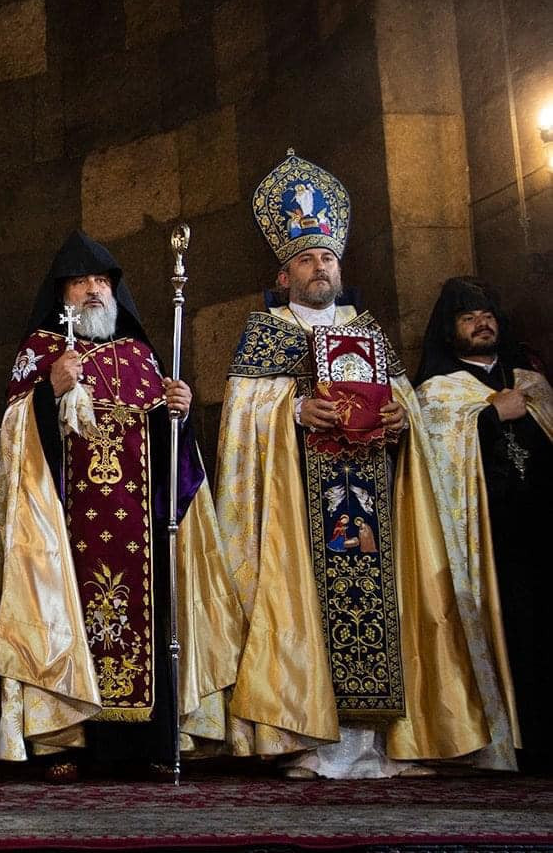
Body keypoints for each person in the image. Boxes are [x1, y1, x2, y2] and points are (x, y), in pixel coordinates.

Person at [215, 153, 488, 779]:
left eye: (328, 258)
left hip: (371, 496)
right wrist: (292, 409)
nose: (320, 267)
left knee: (383, 611)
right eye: (307, 259)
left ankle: (388, 744)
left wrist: (400, 418)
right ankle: (306, 740)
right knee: (305, 611)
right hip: (296, 504)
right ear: (284, 274)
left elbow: (404, 399)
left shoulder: (367, 330)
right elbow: (240, 418)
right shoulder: (265, 332)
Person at [0, 230, 241, 780]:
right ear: (62, 295)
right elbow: (13, 437)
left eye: (101, 281)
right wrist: (48, 393)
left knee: (151, 621)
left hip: (140, 529)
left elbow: (175, 463)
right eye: (80, 282)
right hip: (66, 527)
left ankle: (150, 739)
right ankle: (65, 737)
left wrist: (178, 414)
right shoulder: (41, 353)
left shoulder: (141, 356)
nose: (93, 291)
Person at [415, 276, 553, 772]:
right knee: (513, 634)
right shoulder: (437, 393)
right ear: (449, 329)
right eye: (468, 317)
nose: (481, 324)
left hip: (541, 531)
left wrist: (516, 406)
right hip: (488, 542)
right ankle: (518, 742)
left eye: (488, 315)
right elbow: (438, 464)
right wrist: (489, 416)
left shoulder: (531, 383)